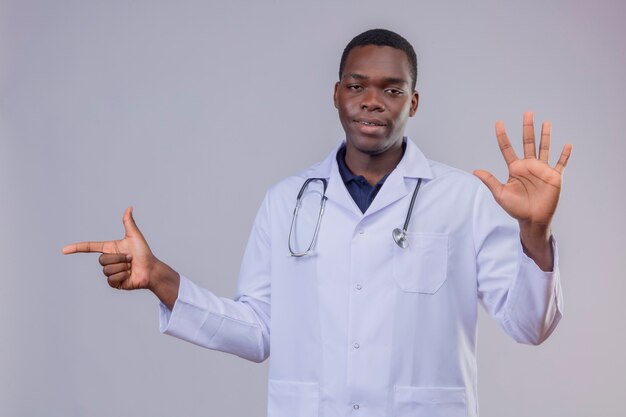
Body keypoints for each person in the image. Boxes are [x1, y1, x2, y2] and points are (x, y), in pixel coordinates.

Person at [63, 29, 572, 417]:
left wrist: (535, 233)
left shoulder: (464, 198)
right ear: (336, 94)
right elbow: (259, 332)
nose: (372, 99)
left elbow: (531, 326)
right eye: (358, 85)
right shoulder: (286, 201)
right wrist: (162, 281)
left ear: (413, 103)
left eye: (392, 90)